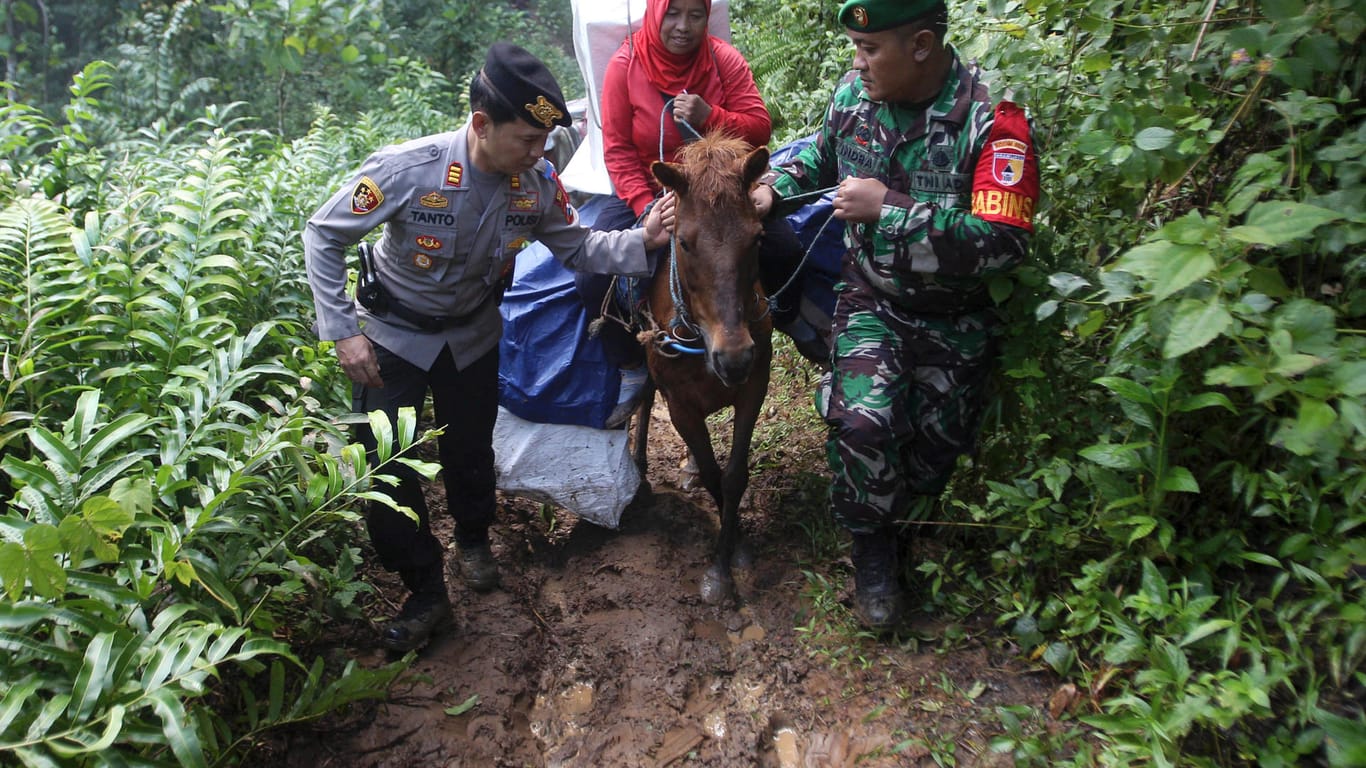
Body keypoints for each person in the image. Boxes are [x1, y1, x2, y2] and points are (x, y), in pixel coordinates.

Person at [303, 43, 675, 652]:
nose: (538, 154)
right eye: (527, 140)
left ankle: (472, 538)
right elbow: (323, 233)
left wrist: (644, 239)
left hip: (472, 337)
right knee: (383, 468)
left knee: (471, 450)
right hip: (392, 340)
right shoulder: (408, 170)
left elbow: (579, 249)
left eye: (543, 143)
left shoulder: (534, 184)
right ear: (481, 124)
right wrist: (342, 328)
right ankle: (424, 589)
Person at [752, 0, 1040, 632]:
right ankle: (872, 553)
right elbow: (817, 158)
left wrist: (891, 210)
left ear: (921, 45)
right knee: (862, 423)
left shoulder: (994, 121)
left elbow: (1005, 241)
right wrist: (774, 184)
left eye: (870, 48)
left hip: (957, 319)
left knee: (935, 451)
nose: (858, 63)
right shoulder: (854, 98)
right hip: (871, 299)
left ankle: (906, 523)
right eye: (855, 47)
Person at [584, 0, 823, 427]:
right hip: (653, 190)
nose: (683, 26)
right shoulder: (625, 65)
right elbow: (617, 150)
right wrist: (646, 208)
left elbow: (758, 126)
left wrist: (709, 114)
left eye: (695, 14)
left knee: (785, 248)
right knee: (594, 276)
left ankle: (788, 320)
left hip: (724, 195)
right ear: (655, 13)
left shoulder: (722, 60)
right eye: (673, 13)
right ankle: (630, 368)